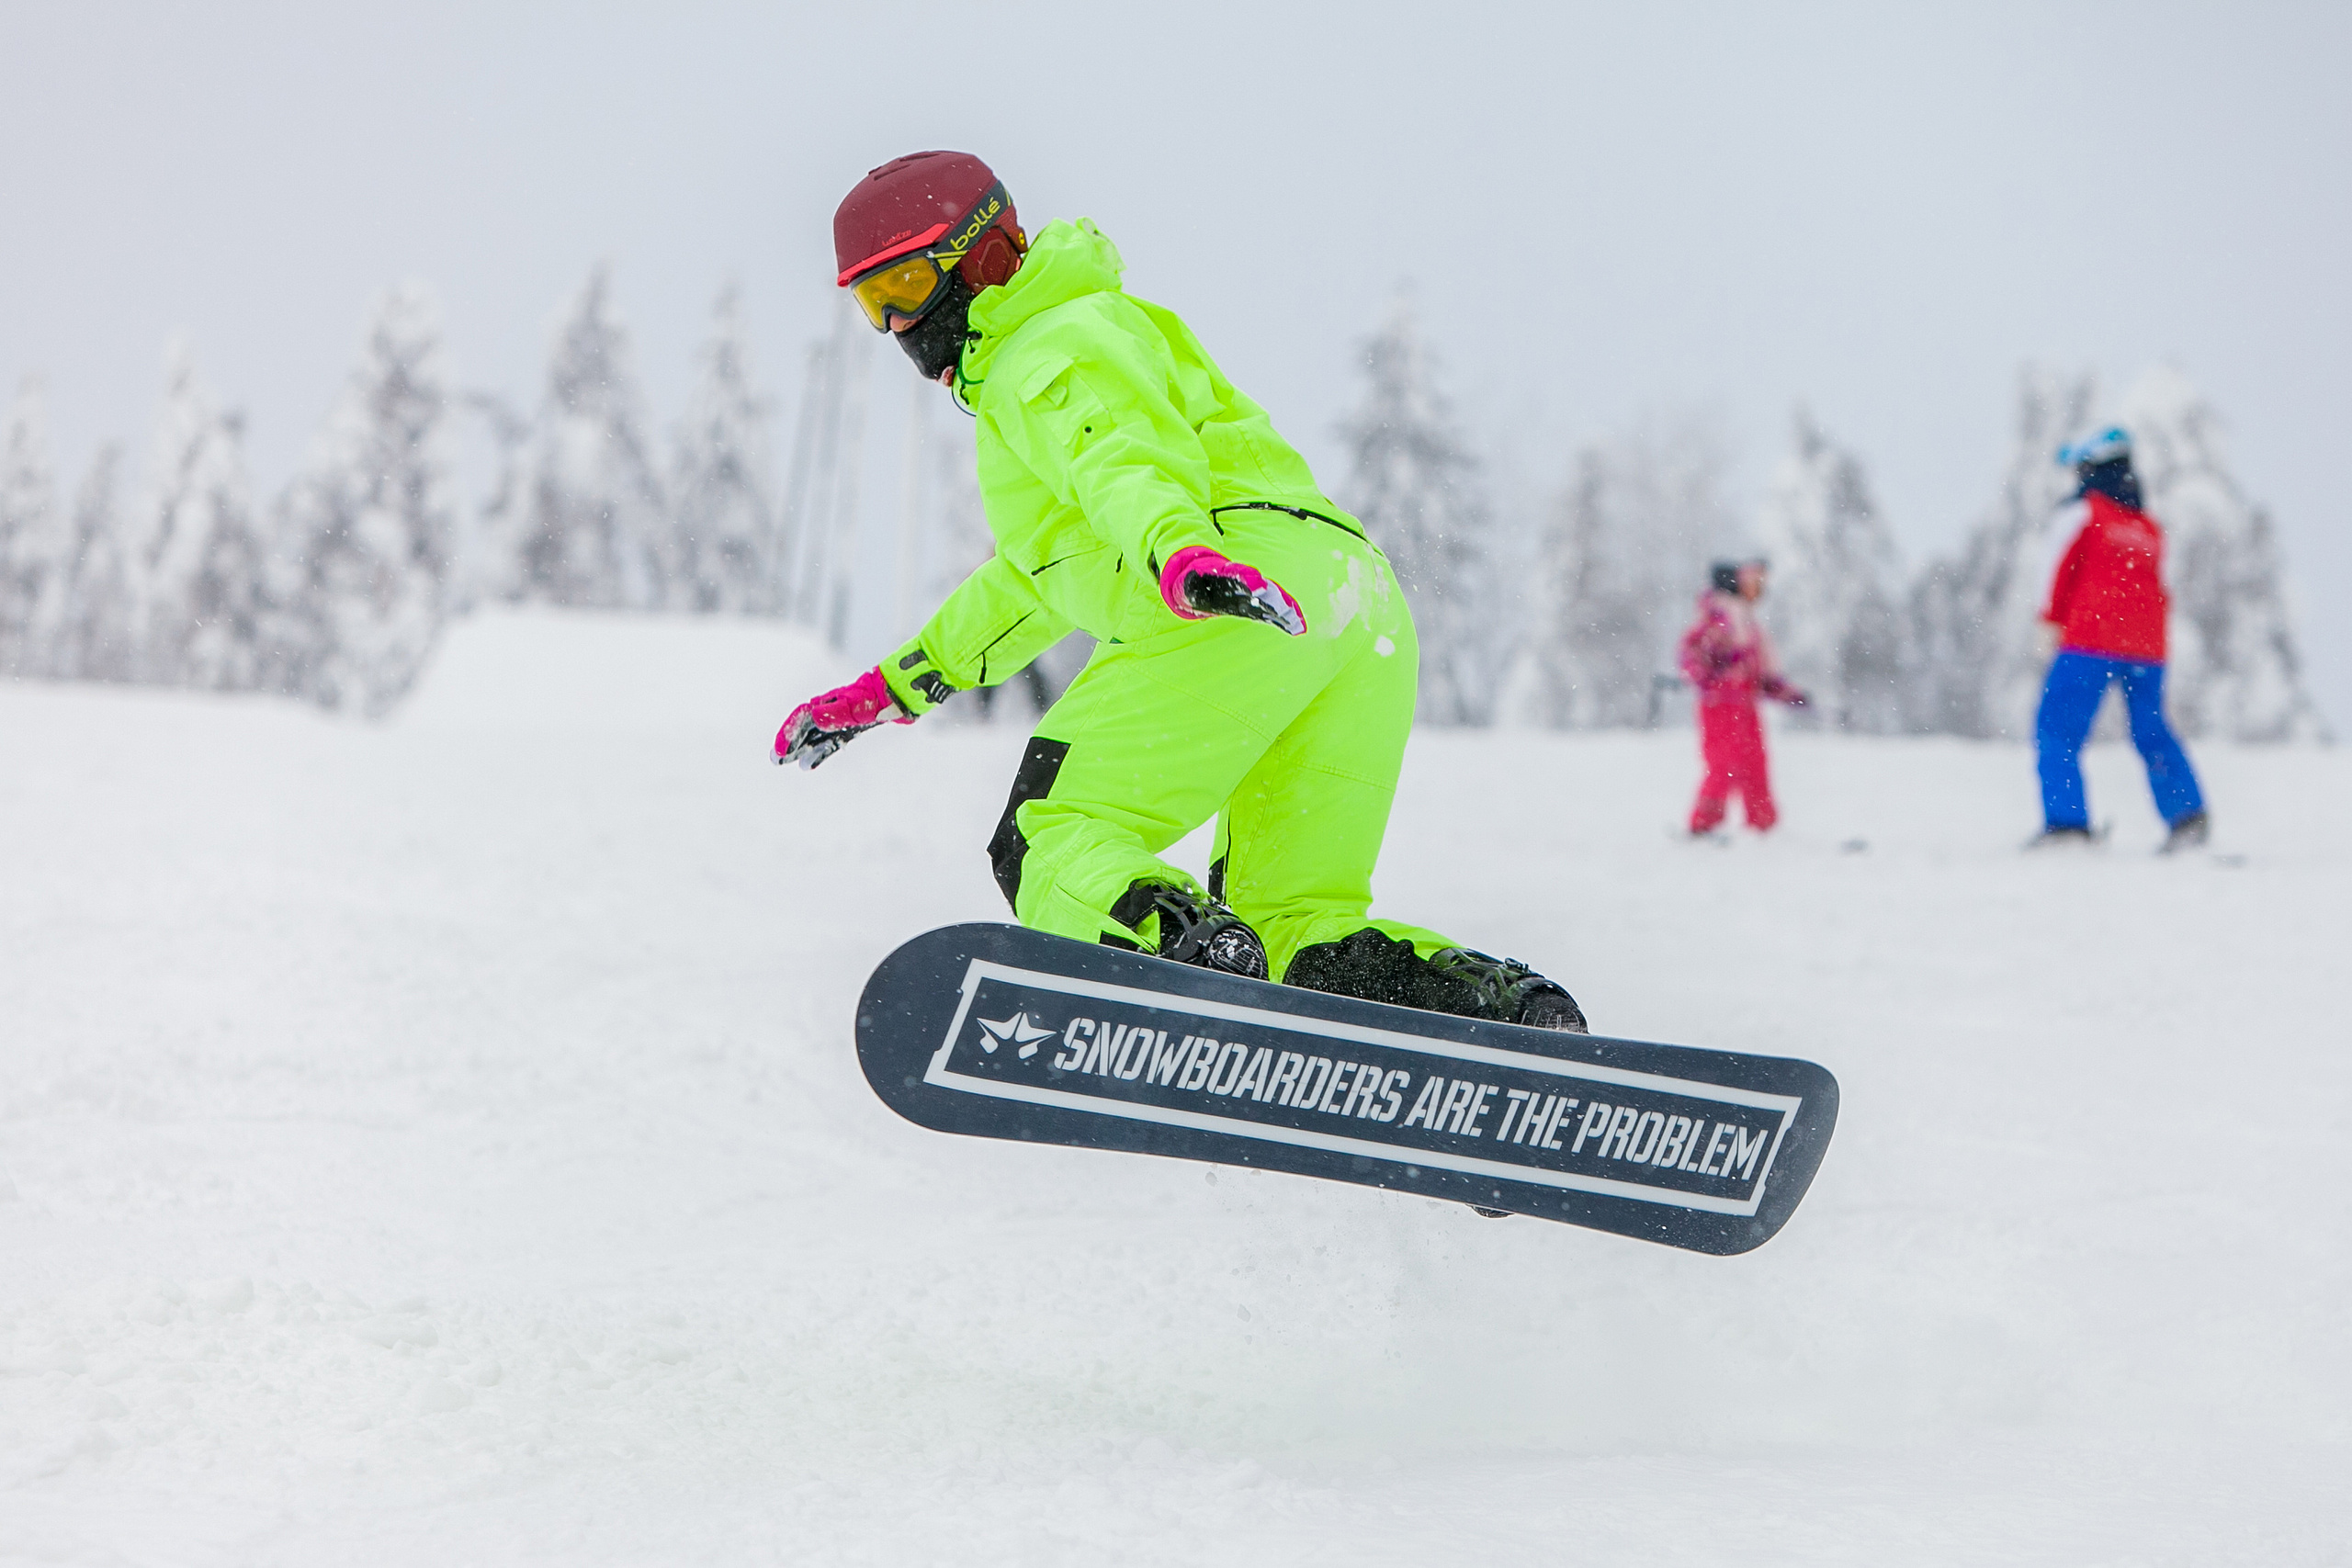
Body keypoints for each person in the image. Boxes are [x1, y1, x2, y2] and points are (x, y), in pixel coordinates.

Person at [774, 150, 1584, 1032]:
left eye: (904, 286)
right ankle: (1496, 1011)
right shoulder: (1099, 331)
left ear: (980, 257)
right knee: (1297, 924)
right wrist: (887, 689)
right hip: (1350, 602)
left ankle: (1182, 960)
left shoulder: (1040, 350)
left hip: (1223, 588)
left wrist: (1181, 555)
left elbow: (1125, 460)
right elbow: (1034, 581)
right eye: (870, 304)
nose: (897, 326)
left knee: (1050, 833)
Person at [2029, 428, 2210, 852]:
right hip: (2147, 648)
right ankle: (2188, 817)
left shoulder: (2083, 512)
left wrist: (2048, 622)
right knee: (2151, 731)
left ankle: (2067, 825)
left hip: (2089, 640)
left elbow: (2056, 569)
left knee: (2056, 729)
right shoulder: (2146, 526)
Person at [1678, 559, 1808, 837]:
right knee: (1724, 762)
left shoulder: (1747, 620)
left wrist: (1786, 693)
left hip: (1744, 704)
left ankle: (1762, 824)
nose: (1757, 590)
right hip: (1720, 703)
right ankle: (1705, 824)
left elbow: (1761, 671)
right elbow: (1692, 656)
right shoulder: (1716, 615)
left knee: (1753, 761)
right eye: (1750, 582)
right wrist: (1712, 671)